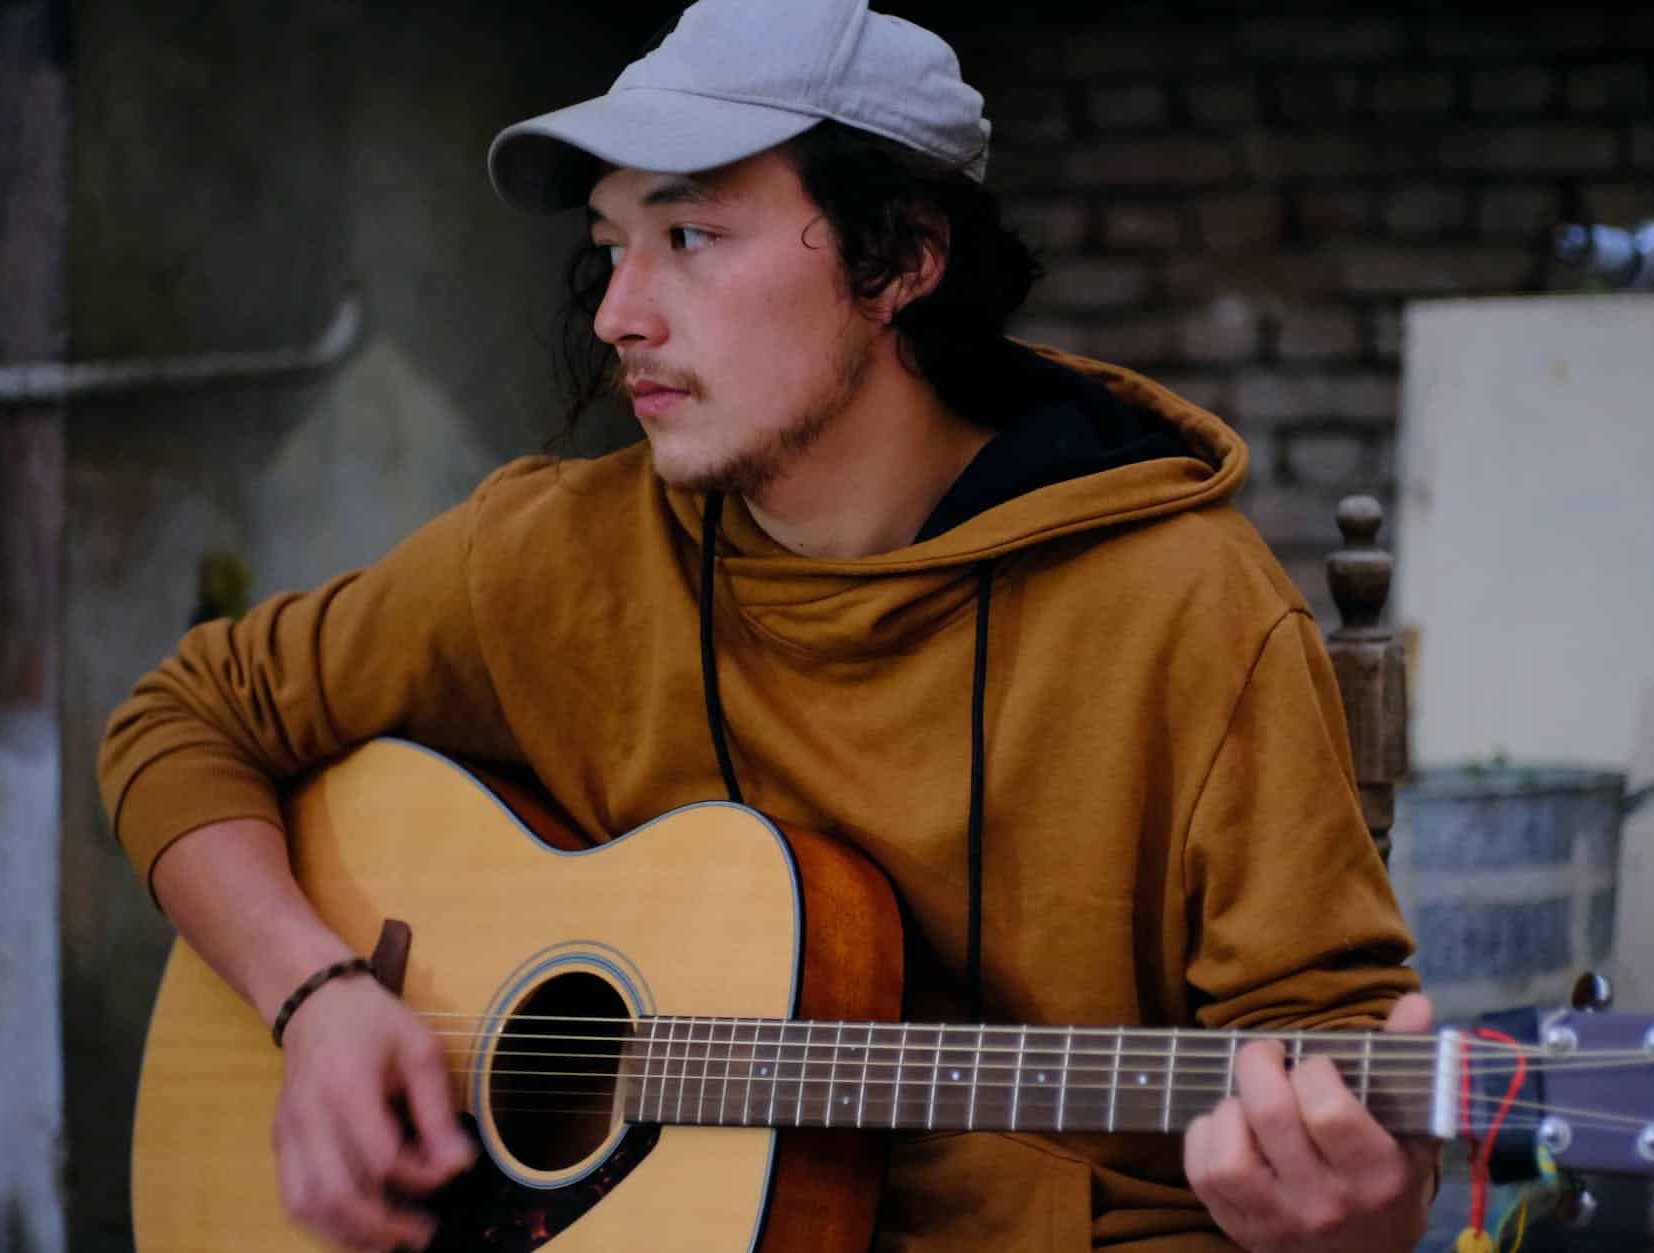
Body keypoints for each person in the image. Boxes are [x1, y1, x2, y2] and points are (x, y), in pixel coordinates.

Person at [98, 1, 1436, 1249]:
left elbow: (1359, 1122)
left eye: (688, 236)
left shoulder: (1184, 606)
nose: (620, 313)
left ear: (904, 255)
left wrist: (1353, 1208)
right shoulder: (554, 560)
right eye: (613, 247)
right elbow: (182, 718)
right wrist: (317, 996)